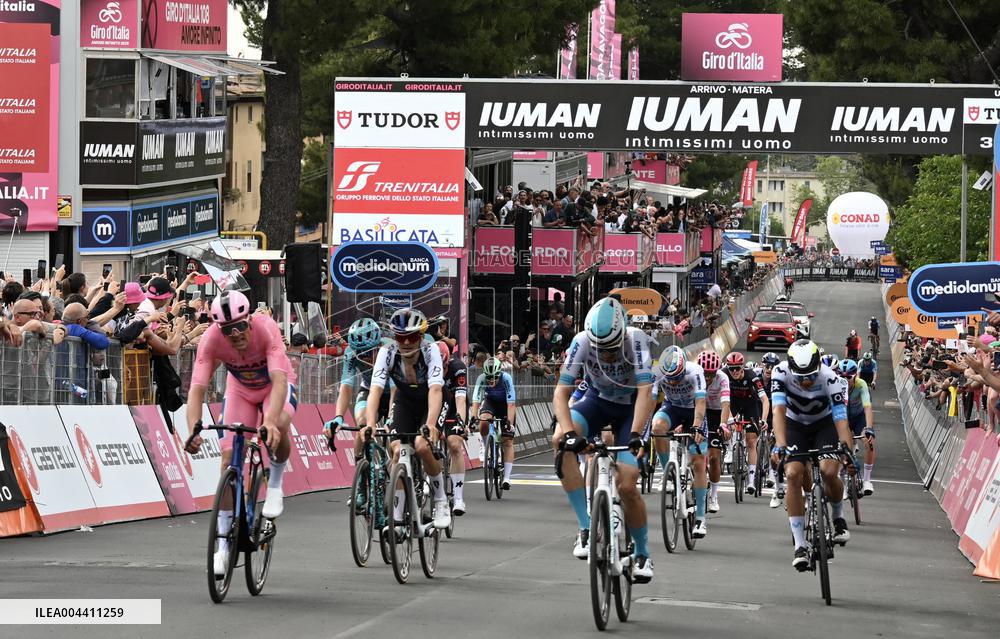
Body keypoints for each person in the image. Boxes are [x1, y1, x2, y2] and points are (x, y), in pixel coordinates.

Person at [184, 290, 297, 577]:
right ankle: (222, 545)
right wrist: (194, 428)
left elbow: (279, 380)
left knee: (279, 425)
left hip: (275, 388)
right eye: (227, 329)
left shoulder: (266, 329)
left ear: (249, 319)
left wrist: (270, 420)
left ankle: (275, 484)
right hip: (241, 392)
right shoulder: (210, 340)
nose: (235, 334)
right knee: (226, 462)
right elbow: (196, 389)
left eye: (239, 326)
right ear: (218, 328)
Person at [552, 297, 655, 582]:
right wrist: (572, 435)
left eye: (611, 349)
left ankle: (643, 553)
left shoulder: (636, 340)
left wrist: (635, 435)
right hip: (598, 400)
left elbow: (646, 392)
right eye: (600, 350)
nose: (606, 356)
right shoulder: (582, 341)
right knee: (559, 440)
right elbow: (561, 393)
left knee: (627, 483)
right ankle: (586, 528)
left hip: (631, 408)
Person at [770, 340, 855, 571]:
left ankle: (838, 517)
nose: (806, 382)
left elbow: (841, 419)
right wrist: (779, 444)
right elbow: (778, 410)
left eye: (810, 376)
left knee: (829, 471)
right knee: (792, 474)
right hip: (794, 424)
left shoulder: (831, 378)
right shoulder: (779, 372)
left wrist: (846, 450)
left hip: (824, 424)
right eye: (800, 377)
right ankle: (799, 544)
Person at [651, 345, 710, 539]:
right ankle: (667, 471)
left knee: (698, 463)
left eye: (677, 378)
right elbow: (651, 403)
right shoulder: (657, 372)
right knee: (657, 428)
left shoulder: (696, 371)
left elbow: (701, 402)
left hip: (693, 410)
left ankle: (700, 517)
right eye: (670, 379)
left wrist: (697, 426)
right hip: (673, 408)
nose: (674, 383)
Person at [324, 318, 393, 460]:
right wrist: (338, 417)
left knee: (395, 437)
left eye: (368, 352)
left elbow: (395, 390)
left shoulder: (390, 350)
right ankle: (360, 469)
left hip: (394, 393)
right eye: (360, 353)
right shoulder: (351, 353)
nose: (364, 357)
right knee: (362, 424)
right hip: (369, 390)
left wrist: (392, 418)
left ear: (378, 345)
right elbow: (346, 387)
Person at [724, 351, 770, 495]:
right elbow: (722, 400)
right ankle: (731, 449)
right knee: (728, 424)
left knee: (751, 441)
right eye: (732, 368)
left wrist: (763, 419)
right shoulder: (723, 374)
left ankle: (751, 480)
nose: (734, 371)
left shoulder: (752, 376)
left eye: (737, 368)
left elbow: (765, 400)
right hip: (732, 403)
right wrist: (729, 419)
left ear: (742, 367)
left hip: (750, 404)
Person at [471, 356, 517, 489]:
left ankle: (507, 478)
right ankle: (486, 448)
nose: (491, 380)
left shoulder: (506, 378)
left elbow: (511, 403)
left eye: (495, 377)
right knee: (483, 422)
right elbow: (476, 399)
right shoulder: (481, 379)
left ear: (499, 373)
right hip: (490, 402)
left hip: (505, 405)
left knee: (507, 440)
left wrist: (510, 423)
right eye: (489, 377)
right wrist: (474, 416)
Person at [436, 341, 470, 515]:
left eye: (443, 366)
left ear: (447, 362)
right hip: (435, 405)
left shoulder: (458, 367)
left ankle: (458, 498)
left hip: (454, 407)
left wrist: (461, 422)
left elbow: (460, 399)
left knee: (454, 445)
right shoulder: (428, 366)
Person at [837, 359, 876, 496]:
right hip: (843, 419)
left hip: (859, 417)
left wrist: (869, 428)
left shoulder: (861, 385)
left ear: (854, 376)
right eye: (842, 376)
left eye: (848, 377)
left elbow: (867, 407)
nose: (845, 379)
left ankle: (867, 480)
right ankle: (842, 482)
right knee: (840, 447)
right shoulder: (835, 385)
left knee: (869, 441)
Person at [699, 351, 730, 514]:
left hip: (717, 413)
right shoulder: (696, 376)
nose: (708, 378)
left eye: (711, 374)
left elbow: (726, 404)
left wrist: (723, 424)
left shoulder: (723, 378)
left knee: (714, 457)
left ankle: (714, 496)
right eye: (705, 374)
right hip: (699, 410)